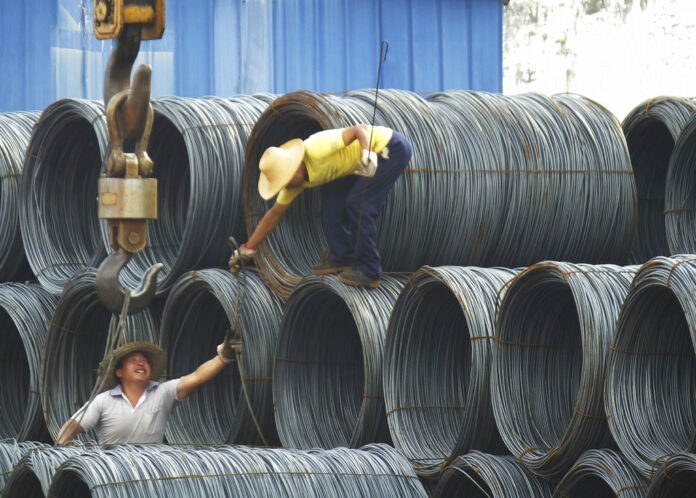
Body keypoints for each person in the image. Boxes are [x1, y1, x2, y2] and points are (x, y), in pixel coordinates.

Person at [229, 124, 412, 288]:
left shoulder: (317, 147)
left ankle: (371, 270)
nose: (286, 185)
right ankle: (342, 256)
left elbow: (361, 130)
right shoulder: (294, 182)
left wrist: (367, 154)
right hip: (352, 165)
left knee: (358, 205)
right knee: (331, 198)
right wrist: (248, 248)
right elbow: (274, 214)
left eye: (286, 178)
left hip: (389, 149)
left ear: (297, 166)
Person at [56, 340, 234, 445]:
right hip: (112, 477)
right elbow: (72, 426)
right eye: (133, 361)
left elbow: (196, 377)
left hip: (149, 476)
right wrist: (61, 450)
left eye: (144, 361)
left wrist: (222, 358)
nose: (140, 363)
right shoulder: (104, 401)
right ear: (119, 372)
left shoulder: (163, 392)